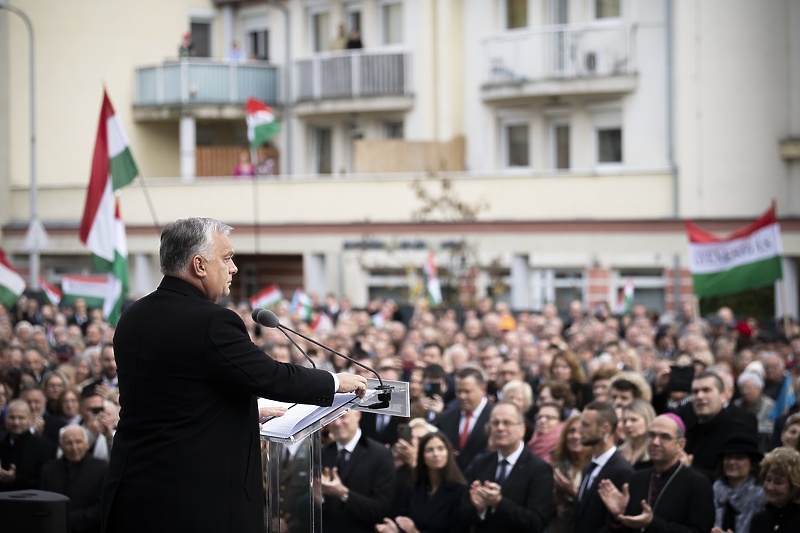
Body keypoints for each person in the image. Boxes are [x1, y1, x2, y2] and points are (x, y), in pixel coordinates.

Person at [101, 218, 367, 533]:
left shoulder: (132, 316)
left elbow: (170, 400)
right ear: (199, 265)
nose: (234, 268)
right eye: (226, 258)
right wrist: (335, 381)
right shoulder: (211, 321)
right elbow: (271, 377)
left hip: (134, 492)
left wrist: (239, 413)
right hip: (193, 504)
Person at [597, 414, 715, 532]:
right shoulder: (637, 478)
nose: (655, 442)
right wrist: (618, 516)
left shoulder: (698, 483)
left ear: (681, 444)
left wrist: (652, 522)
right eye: (651, 435)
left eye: (665, 437)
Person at [459, 401, 553, 532]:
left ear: (522, 429)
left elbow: (537, 522)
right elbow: (462, 515)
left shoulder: (538, 468)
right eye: (495, 423)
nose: (500, 428)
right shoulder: (480, 463)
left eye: (507, 423)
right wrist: (478, 509)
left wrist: (499, 503)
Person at [320, 409, 396, 533]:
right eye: (333, 418)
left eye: (342, 417)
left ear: (357, 415)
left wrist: (343, 493)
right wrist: (317, 498)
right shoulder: (323, 453)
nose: (337, 423)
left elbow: (381, 509)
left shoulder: (380, 454)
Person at [377, 431, 467, 533]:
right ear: (422, 456)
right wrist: (394, 529)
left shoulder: (460, 490)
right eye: (429, 450)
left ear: (448, 453)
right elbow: (403, 520)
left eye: (441, 448)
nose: (436, 454)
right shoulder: (414, 486)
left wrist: (415, 532)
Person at [572, 401, 633, 533]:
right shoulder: (588, 467)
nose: (579, 430)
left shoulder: (622, 471)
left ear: (605, 428)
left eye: (585, 425)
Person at [41, 425, 108, 533]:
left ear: (87, 444)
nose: (74, 447)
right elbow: (44, 502)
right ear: (61, 446)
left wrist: (67, 518)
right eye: (69, 443)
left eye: (78, 442)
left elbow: (101, 509)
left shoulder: (102, 469)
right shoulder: (49, 469)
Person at [437, 366, 491, 473]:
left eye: (467, 391)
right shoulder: (446, 417)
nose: (462, 396)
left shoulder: (495, 418)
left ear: (483, 389)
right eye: (459, 391)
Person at [711, 432, 765, 533]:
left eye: (739, 458)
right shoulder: (714, 490)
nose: (732, 462)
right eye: (728, 457)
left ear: (752, 464)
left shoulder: (761, 496)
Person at [0, 399, 57, 491]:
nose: (16, 422)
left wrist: (15, 479)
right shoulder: (1, 443)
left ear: (30, 419)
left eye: (21, 418)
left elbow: (46, 483)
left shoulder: (46, 447)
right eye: (12, 417)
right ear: (5, 418)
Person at [548, 413, 591, 533]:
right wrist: (556, 499)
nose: (576, 436)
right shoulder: (555, 468)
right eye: (571, 431)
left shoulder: (596, 469)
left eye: (581, 431)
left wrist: (573, 492)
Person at [747, 447, 800, 532]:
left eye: (778, 483)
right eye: (768, 480)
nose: (770, 487)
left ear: (794, 486)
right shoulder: (759, 520)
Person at [617, 399, 656, 469]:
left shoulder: (655, 451)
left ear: (648, 420)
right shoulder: (621, 451)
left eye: (633, 420)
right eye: (625, 421)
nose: (627, 424)